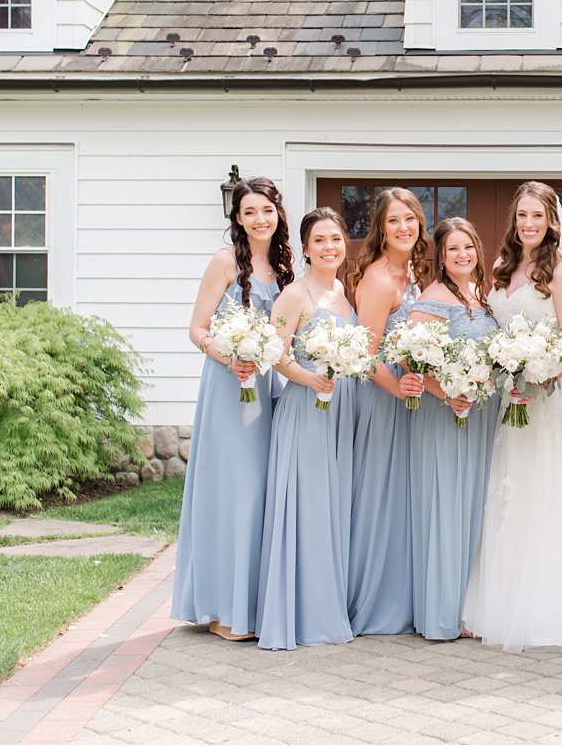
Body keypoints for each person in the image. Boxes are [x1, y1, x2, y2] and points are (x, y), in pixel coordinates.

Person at [461, 181, 562, 651]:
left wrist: (538, 377)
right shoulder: (503, 268)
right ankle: (503, 607)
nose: (528, 224)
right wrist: (508, 375)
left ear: (553, 221)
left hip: (549, 396)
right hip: (512, 397)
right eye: (522, 215)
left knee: (550, 494)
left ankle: (554, 611)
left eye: (538, 215)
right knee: (512, 492)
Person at [171, 177, 293, 641]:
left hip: (267, 389)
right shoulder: (224, 262)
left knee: (260, 494)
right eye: (249, 212)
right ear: (237, 219)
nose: (259, 219)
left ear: (277, 213)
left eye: (266, 210)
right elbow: (197, 329)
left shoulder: (284, 268)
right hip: (229, 389)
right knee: (233, 493)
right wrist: (232, 358)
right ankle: (222, 610)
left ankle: (252, 605)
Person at [255, 207, 359, 650]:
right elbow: (274, 354)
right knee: (307, 506)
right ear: (305, 248)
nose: (329, 247)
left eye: (335, 239)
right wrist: (309, 378)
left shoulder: (343, 292)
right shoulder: (295, 295)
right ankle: (299, 615)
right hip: (305, 408)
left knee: (333, 507)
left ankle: (327, 604)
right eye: (319, 240)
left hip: (341, 409)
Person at [407, 217, 498, 641]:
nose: (462, 255)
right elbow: (412, 361)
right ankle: (442, 613)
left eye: (468, 247)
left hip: (481, 415)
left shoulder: (482, 295)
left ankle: (469, 606)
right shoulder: (432, 298)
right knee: (447, 505)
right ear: (440, 258)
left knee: (475, 506)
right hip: (445, 414)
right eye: (452, 249)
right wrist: (447, 394)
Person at [347, 188, 428, 635]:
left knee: (403, 496)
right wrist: (399, 389)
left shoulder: (412, 271)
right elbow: (365, 353)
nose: (403, 228)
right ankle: (376, 600)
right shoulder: (378, 278)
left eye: (410, 219)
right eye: (394, 220)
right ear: (381, 228)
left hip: (407, 393)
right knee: (380, 493)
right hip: (383, 397)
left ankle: (403, 595)